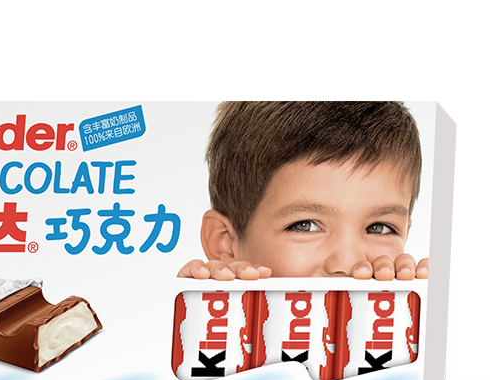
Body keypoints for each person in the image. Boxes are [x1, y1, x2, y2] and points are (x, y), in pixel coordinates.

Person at [178, 101, 430, 280]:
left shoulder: (416, 330)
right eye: (305, 225)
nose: (348, 264)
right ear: (225, 243)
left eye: (379, 228)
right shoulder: (207, 329)